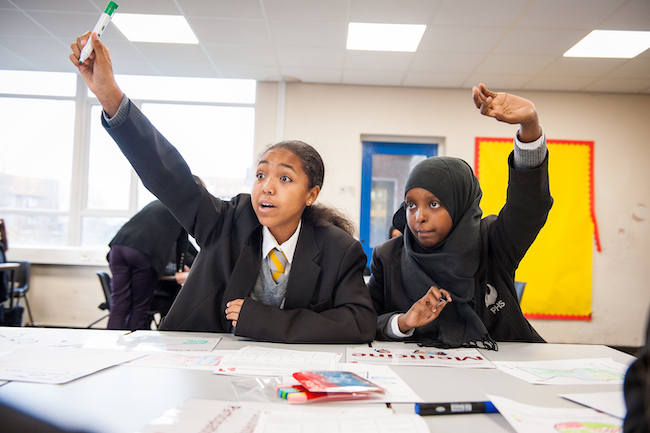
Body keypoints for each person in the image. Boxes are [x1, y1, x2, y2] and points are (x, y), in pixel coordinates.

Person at [70, 32, 376, 343]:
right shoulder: (227, 221)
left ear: (312, 194)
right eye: (260, 175)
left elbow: (359, 321)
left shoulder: (339, 249)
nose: (266, 188)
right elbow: (168, 175)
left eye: (284, 178)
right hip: (204, 361)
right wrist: (110, 96)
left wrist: (260, 319)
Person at [367, 84, 552, 349]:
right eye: (410, 205)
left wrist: (530, 129)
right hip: (418, 372)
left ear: (460, 205)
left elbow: (529, 206)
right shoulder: (388, 256)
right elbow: (364, 318)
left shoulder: (492, 242)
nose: (418, 217)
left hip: (502, 364)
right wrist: (403, 322)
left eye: (434, 204)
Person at [107, 196, 198, 330]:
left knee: (119, 303)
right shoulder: (181, 207)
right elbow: (182, 243)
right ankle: (132, 348)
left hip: (118, 247)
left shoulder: (158, 201)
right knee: (140, 306)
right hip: (144, 252)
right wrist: (179, 270)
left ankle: (111, 347)